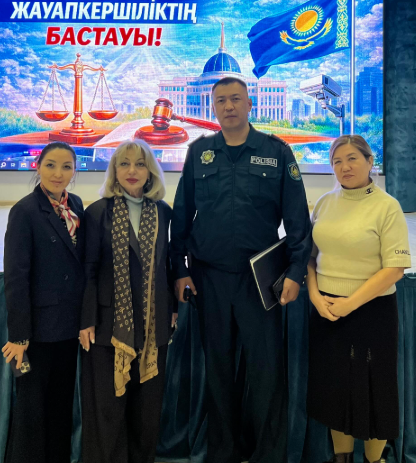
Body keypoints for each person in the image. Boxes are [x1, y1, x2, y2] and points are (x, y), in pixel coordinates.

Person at [171, 76, 312, 463]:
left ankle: (268, 455)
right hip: (210, 278)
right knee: (217, 370)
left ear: (250, 105)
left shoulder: (276, 152)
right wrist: (180, 269)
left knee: (266, 371)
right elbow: (181, 216)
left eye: (236, 99)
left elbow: (298, 222)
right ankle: (223, 453)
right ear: (213, 107)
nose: (229, 106)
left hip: (260, 282)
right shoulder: (199, 152)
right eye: (221, 100)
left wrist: (296, 272)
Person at [306, 135, 411, 463]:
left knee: (374, 390)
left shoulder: (387, 206)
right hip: (327, 311)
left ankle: (373, 460)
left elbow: (395, 268)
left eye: (352, 158)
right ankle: (343, 458)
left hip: (372, 311)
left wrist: (350, 303)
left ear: (370, 161)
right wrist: (315, 297)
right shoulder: (324, 203)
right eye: (337, 161)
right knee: (335, 389)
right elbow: (309, 258)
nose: (344, 167)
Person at [79, 139, 175, 463]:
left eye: (139, 163)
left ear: (150, 172)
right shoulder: (97, 212)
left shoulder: (163, 213)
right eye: (124, 163)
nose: (132, 170)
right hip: (107, 327)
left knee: (147, 411)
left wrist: (173, 310)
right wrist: (86, 320)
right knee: (107, 410)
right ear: (114, 170)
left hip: (153, 326)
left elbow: (170, 265)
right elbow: (89, 270)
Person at [2, 142, 84, 463]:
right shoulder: (25, 211)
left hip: (68, 327)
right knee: (32, 412)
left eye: (66, 166)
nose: (58, 173)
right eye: (50, 165)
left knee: (61, 408)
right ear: (38, 167)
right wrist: (19, 336)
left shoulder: (75, 204)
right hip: (36, 332)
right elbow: (16, 278)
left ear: (74, 171)